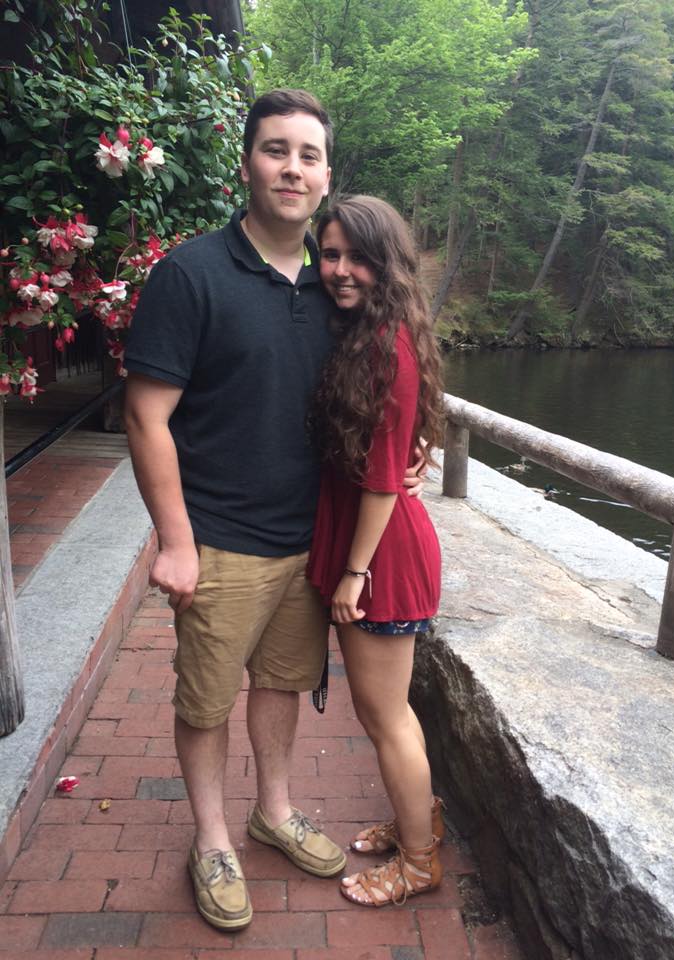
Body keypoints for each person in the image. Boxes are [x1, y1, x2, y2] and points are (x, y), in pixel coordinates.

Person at [123, 90, 424, 932]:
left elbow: (390, 381)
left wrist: (414, 442)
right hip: (220, 539)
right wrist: (175, 541)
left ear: (326, 175)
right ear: (248, 162)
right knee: (206, 702)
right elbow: (146, 416)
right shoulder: (191, 274)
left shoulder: (337, 282)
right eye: (276, 150)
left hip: (312, 539)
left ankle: (275, 809)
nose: (293, 168)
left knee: (283, 686)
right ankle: (213, 838)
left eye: (309, 155)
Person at [307, 195, 446, 907]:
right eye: (330, 255)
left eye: (358, 257)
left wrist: (352, 574)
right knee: (391, 712)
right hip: (377, 545)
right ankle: (420, 819)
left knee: (383, 715)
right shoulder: (372, 332)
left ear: (386, 262)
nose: (340, 270)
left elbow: (386, 476)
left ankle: (418, 862)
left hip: (382, 558)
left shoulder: (388, 345)